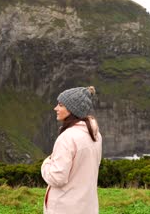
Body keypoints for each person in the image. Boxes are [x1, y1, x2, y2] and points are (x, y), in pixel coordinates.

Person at [41, 86, 102, 214]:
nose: (55, 108)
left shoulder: (67, 138)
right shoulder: (95, 134)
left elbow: (57, 178)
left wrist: (45, 164)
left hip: (65, 207)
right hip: (87, 207)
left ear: (72, 109)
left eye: (60, 105)